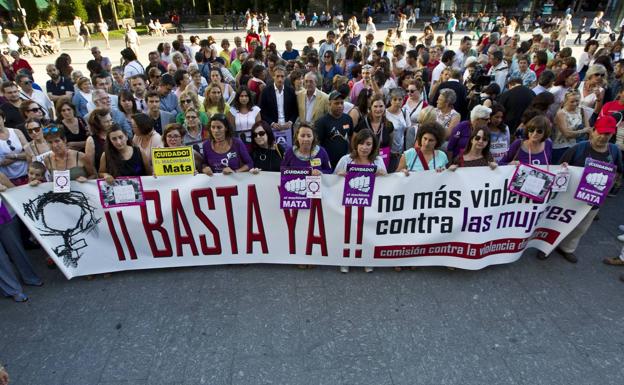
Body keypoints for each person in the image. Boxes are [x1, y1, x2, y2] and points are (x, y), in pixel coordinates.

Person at [541, 115, 622, 263]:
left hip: (592, 200)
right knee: (557, 222)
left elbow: (618, 171)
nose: (604, 137)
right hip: (569, 197)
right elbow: (559, 168)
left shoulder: (614, 151)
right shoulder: (579, 148)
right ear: (593, 131)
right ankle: (546, 246)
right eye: (601, 132)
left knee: (581, 227)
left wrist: (612, 182)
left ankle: (567, 248)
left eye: (608, 134)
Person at [334, 129, 387, 273]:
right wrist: (339, 175)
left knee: (367, 232)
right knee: (348, 232)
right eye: (361, 143)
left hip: (370, 204)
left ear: (373, 146)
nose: (365, 147)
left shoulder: (378, 160)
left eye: (368, 144)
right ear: (355, 145)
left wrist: (383, 174)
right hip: (348, 203)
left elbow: (388, 184)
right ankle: (345, 260)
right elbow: (332, 181)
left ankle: (366, 259)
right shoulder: (346, 160)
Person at [0, 177, 43, 303]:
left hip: (6, 216)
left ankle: (30, 277)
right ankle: (13, 290)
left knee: (16, 248)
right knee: (0, 259)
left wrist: (31, 186)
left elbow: (14, 190)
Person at [315, 90, 353, 171]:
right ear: (329, 104)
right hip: (327, 163)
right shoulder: (321, 122)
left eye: (342, 103)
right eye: (336, 103)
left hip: (343, 162)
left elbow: (351, 138)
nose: (340, 106)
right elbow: (317, 145)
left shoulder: (348, 119)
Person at [352, 94, 394, 169]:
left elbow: (390, 144)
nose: (378, 109)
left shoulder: (389, 125)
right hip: (365, 162)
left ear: (385, 107)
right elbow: (354, 143)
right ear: (370, 107)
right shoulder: (362, 124)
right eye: (375, 106)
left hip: (383, 161)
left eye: (381, 106)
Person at [552, 90, 592, 163]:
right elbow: (567, 134)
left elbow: (589, 130)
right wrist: (583, 131)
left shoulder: (582, 111)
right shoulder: (561, 114)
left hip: (577, 147)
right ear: (565, 101)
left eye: (577, 101)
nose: (575, 104)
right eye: (572, 101)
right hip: (561, 147)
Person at [259, 65, 298, 133]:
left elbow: (295, 110)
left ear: (285, 77)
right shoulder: (266, 91)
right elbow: (262, 111)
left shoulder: (291, 91)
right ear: (273, 77)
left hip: (287, 128)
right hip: (272, 128)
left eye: (282, 76)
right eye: (277, 76)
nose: (280, 79)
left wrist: (290, 122)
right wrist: (272, 123)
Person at [0, 110, 28, 185]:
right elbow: (2, 162)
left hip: (27, 174)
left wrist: (14, 156)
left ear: (4, 119)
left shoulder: (16, 132)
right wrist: (20, 156)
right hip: (8, 180)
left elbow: (29, 152)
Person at [385, 88, 408, 171]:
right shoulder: (385, 114)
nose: (397, 102)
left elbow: (407, 131)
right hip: (388, 152)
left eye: (400, 99)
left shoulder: (405, 112)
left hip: (401, 152)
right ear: (390, 100)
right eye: (395, 99)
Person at [85, 108, 111, 172]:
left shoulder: (116, 134)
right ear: (97, 124)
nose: (110, 123)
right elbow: (91, 165)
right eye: (106, 122)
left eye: (110, 120)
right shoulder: (91, 140)